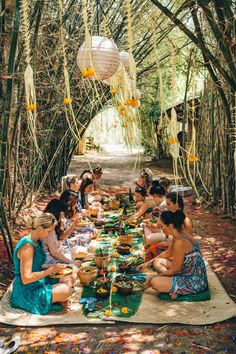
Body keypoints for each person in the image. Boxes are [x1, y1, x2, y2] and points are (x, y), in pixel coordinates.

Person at [10, 213, 73, 315]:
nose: (50, 234)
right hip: (27, 291)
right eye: (49, 231)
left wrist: (52, 267)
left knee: (70, 275)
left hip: (39, 281)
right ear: (40, 228)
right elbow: (26, 278)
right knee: (66, 290)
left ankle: (59, 299)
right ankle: (58, 299)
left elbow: (36, 265)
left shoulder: (38, 241)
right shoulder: (27, 246)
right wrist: (50, 270)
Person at [138, 210, 208, 298]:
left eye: (161, 226)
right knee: (158, 262)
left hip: (195, 281)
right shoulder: (179, 235)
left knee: (154, 282)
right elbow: (167, 254)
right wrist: (148, 264)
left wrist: (153, 278)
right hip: (186, 271)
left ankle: (178, 290)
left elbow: (174, 270)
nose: (160, 229)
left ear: (170, 226)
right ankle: (174, 287)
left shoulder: (180, 242)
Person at [144, 192, 192, 260]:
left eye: (168, 204)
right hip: (171, 242)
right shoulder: (172, 214)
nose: (166, 206)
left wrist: (169, 245)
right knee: (152, 250)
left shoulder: (186, 220)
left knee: (152, 251)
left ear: (177, 204)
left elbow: (187, 242)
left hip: (179, 248)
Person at [43, 199, 81, 269]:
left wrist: (73, 225)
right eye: (63, 214)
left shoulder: (55, 223)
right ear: (56, 212)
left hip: (60, 253)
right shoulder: (48, 227)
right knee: (75, 268)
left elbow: (60, 240)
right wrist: (71, 262)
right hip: (51, 261)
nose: (64, 217)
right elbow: (54, 253)